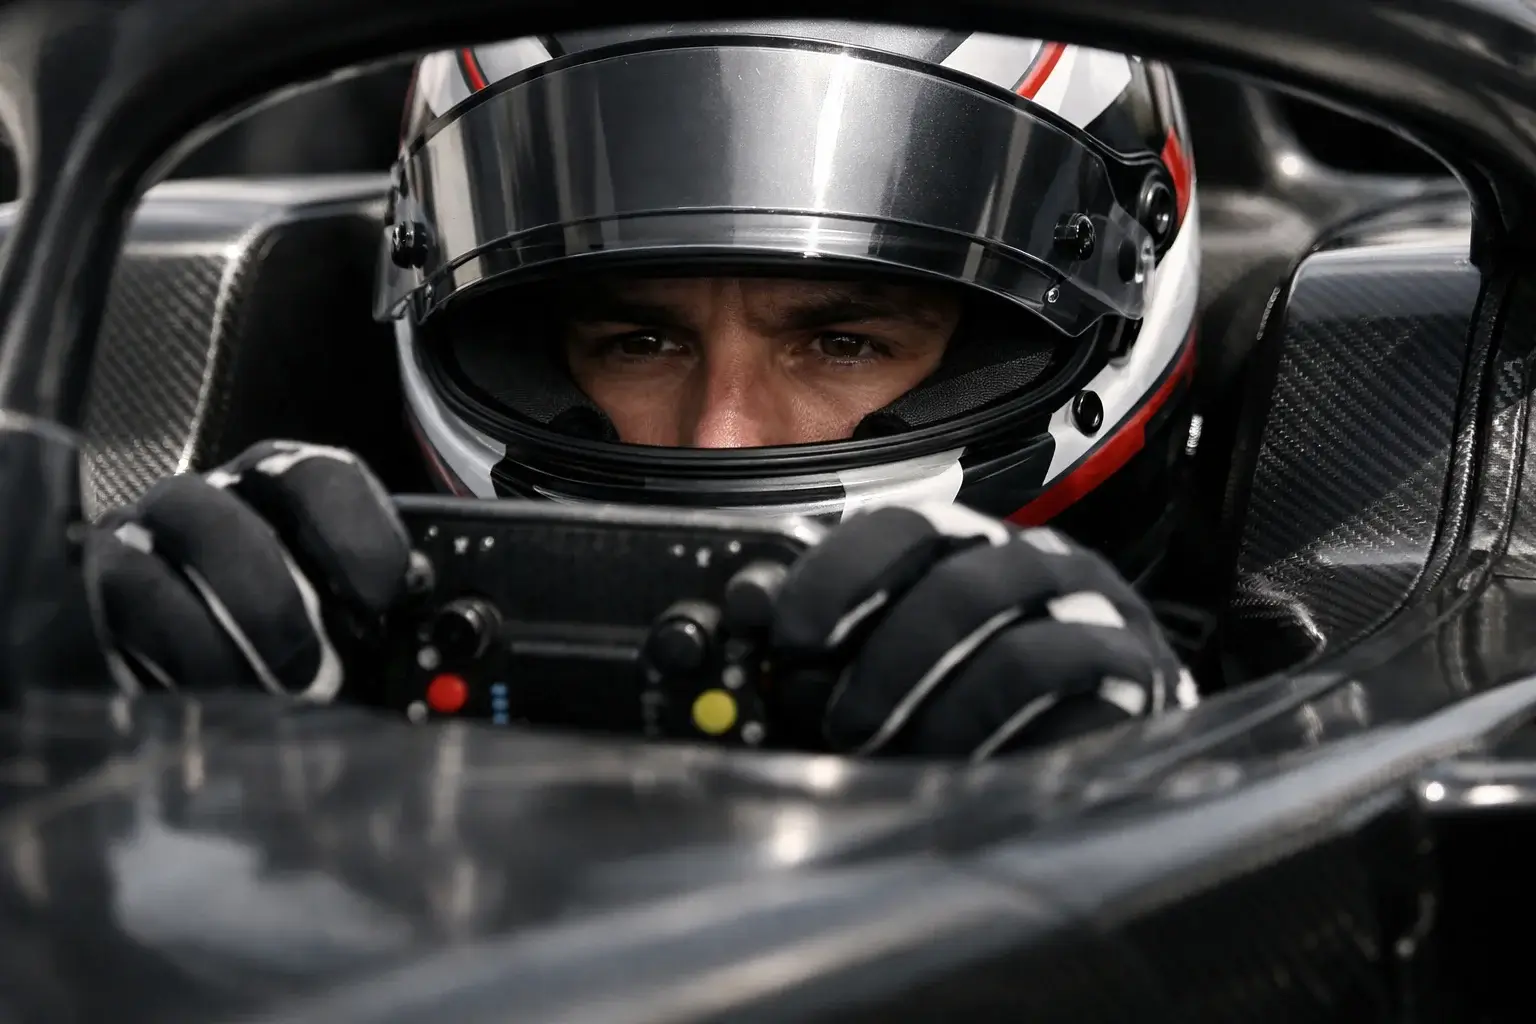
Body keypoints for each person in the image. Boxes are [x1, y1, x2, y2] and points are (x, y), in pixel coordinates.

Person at [83, 23, 1202, 758]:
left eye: (844, 343)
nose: (721, 439)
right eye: (637, 339)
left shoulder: (1252, 689)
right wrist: (100, 716)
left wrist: (1155, 789)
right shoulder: (337, 640)